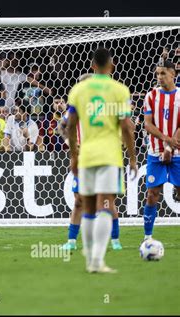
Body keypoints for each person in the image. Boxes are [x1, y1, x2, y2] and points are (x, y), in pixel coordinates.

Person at [67, 48, 137, 273]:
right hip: (109, 156)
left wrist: (74, 156)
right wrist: (133, 158)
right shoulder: (119, 90)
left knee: (87, 208)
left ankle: (89, 261)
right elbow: (126, 127)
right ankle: (97, 261)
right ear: (111, 65)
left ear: (92, 65)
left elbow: (69, 125)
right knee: (106, 205)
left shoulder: (79, 89)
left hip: (87, 155)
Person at [59, 74, 123, 251]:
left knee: (106, 202)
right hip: (83, 160)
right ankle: (71, 241)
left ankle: (115, 240)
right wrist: (69, 142)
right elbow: (61, 126)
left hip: (104, 158)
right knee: (79, 200)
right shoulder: (74, 108)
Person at [142, 59, 180, 240]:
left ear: (173, 74)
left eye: (163, 73)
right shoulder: (150, 96)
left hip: (178, 152)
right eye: (157, 73)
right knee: (152, 194)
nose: (159, 77)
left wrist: (170, 147)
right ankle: (147, 237)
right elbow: (148, 125)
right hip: (155, 153)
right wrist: (165, 142)